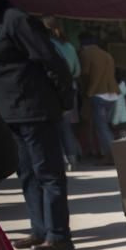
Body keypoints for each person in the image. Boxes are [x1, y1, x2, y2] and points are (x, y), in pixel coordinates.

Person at [0, 0, 74, 250]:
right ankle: (39, 230)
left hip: (35, 111)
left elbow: (52, 61)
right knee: (26, 175)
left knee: (48, 174)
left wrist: (62, 101)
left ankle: (58, 235)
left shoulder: (16, 19)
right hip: (6, 113)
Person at [42, 16, 81, 171]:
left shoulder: (48, 46)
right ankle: (73, 158)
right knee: (67, 126)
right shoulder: (70, 47)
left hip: (53, 88)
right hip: (71, 87)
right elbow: (77, 71)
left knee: (55, 127)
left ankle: (62, 160)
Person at [79, 33, 120, 164]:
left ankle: (112, 156)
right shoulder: (106, 54)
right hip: (112, 94)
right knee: (106, 127)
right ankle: (111, 154)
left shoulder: (86, 54)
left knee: (102, 128)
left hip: (98, 93)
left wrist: (84, 92)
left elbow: (84, 75)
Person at [110, 68, 126, 138]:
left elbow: (118, 108)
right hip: (123, 119)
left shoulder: (117, 93)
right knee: (123, 139)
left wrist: (114, 122)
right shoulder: (122, 90)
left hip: (119, 121)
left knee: (121, 142)